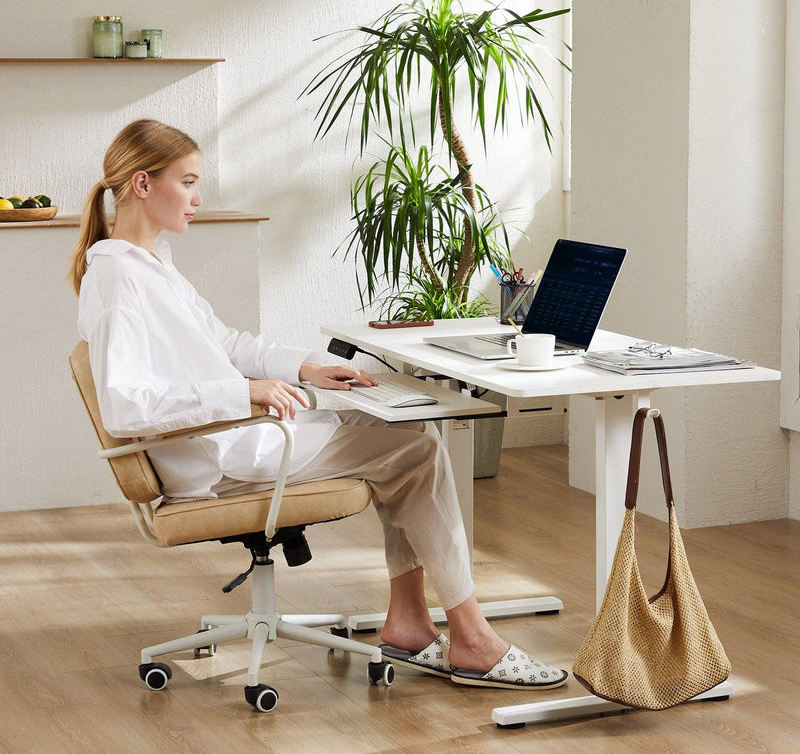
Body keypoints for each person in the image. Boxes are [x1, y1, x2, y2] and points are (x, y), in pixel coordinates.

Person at [68, 119, 567, 691]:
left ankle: (409, 622)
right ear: (142, 184)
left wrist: (305, 366)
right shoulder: (118, 279)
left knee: (383, 415)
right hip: (222, 461)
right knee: (415, 445)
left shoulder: (149, 266)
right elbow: (125, 407)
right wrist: (244, 390)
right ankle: (472, 637)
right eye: (188, 181)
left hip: (231, 438)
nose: (199, 197)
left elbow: (225, 343)